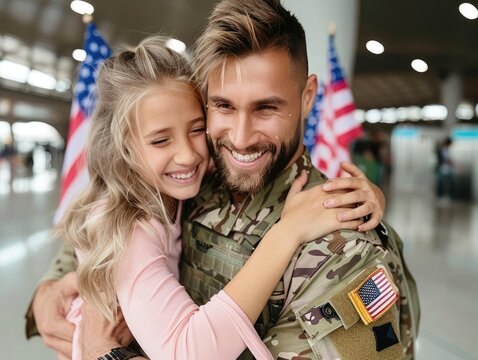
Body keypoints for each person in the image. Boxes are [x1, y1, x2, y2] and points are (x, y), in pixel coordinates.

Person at [24, 1, 411, 359]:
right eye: (223, 106)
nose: (240, 139)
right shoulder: (198, 178)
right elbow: (112, 224)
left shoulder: (342, 247)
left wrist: (104, 352)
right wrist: (49, 290)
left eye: (266, 108)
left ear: (308, 96)